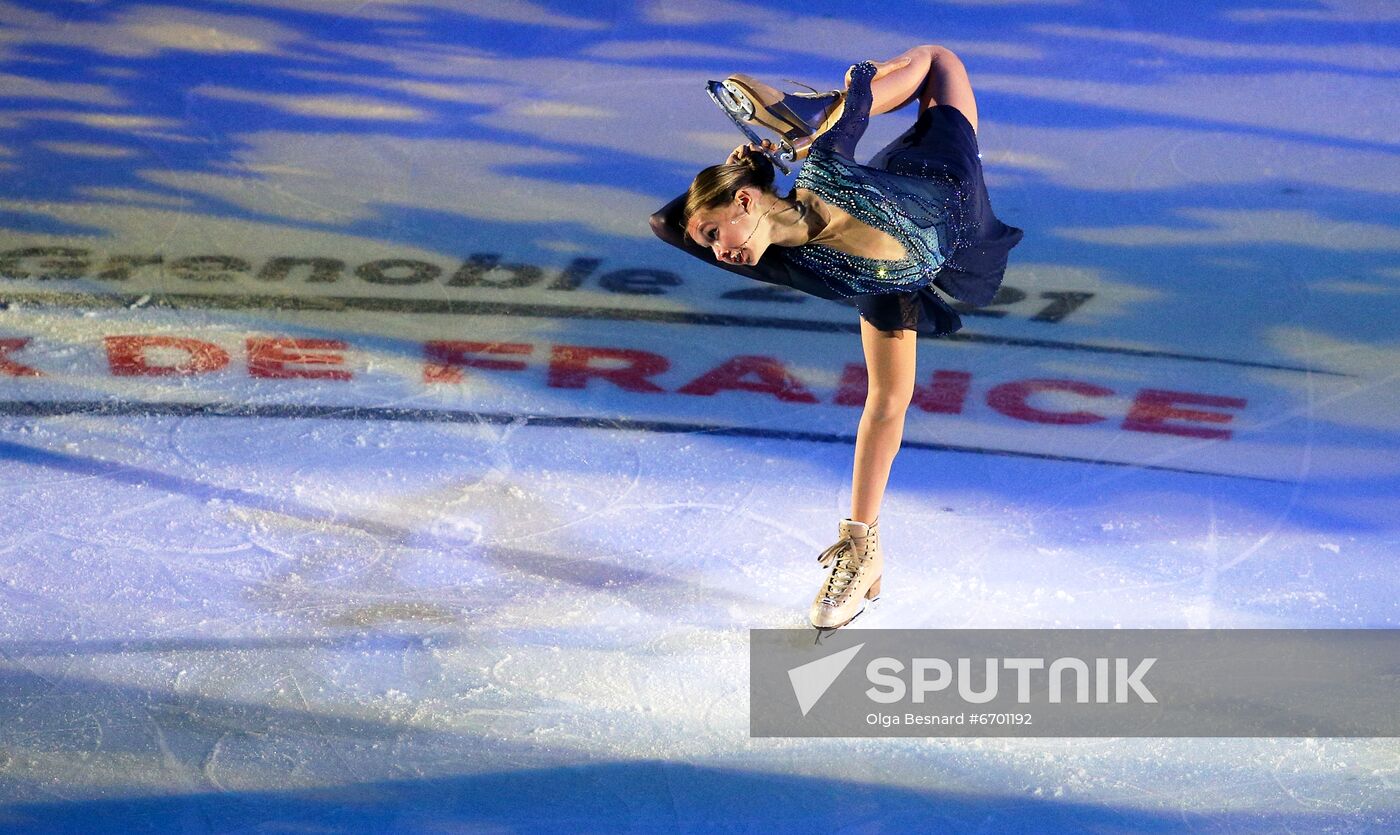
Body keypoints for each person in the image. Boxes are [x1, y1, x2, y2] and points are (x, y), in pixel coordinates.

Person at [648, 45, 1024, 630]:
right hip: (884, 280)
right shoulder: (768, 250)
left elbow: (896, 79)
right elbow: (665, 225)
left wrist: (844, 103)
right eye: (710, 246)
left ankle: (818, 107)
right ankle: (862, 545)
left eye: (716, 233)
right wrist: (743, 170)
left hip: (940, 190)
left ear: (746, 200)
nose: (719, 253)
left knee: (939, 59)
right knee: (886, 406)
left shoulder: (825, 167)